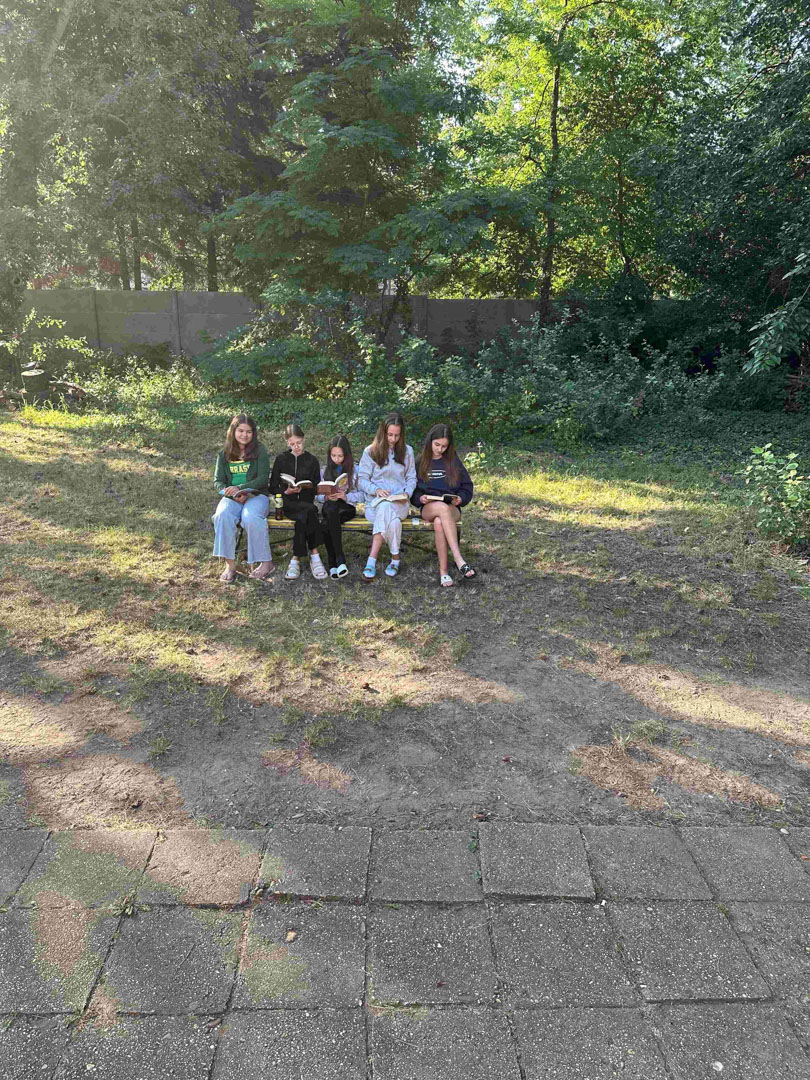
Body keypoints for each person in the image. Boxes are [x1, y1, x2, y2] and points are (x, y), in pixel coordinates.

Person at [411, 423, 476, 587]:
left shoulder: (453, 460)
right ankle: (459, 559)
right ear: (430, 441)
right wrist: (420, 499)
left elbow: (467, 487)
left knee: (440, 521)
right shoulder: (420, 461)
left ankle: (444, 572)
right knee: (441, 508)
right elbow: (412, 491)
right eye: (437, 444)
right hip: (429, 507)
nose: (439, 449)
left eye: (444, 446)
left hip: (452, 508)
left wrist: (460, 498)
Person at [212, 414, 274, 584]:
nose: (244, 435)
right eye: (240, 431)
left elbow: (263, 478)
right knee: (222, 516)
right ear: (233, 431)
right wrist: (230, 492)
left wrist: (242, 488)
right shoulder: (223, 454)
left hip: (256, 495)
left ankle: (266, 563)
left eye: (249, 432)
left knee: (250, 517)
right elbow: (218, 481)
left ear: (253, 433)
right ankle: (230, 565)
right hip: (232, 497)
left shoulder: (259, 451)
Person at [357, 411, 416, 580]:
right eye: (390, 435)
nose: (393, 439)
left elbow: (412, 478)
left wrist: (406, 493)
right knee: (391, 517)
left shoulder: (408, 451)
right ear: (383, 432)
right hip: (374, 504)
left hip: (399, 504)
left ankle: (372, 560)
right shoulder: (370, 451)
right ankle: (395, 558)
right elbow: (362, 480)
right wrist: (376, 490)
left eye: (397, 435)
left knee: (387, 508)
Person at [269, 423, 327, 580]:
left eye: (299, 443)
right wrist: (286, 491)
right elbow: (272, 487)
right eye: (292, 444)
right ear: (287, 442)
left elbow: (317, 487)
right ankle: (314, 555)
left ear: (304, 439)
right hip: (287, 504)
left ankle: (296, 559)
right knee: (310, 512)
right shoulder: (281, 459)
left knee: (304, 515)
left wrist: (306, 487)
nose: (296, 447)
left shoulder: (312, 460)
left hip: (306, 503)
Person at [317, 434, 362, 578]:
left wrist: (346, 496)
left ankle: (332, 563)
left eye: (340, 456)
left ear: (346, 455)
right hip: (330, 505)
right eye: (333, 455)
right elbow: (318, 495)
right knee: (331, 509)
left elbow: (362, 495)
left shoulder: (355, 470)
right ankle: (340, 560)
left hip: (346, 507)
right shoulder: (324, 470)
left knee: (326, 523)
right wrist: (325, 496)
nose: (336, 459)